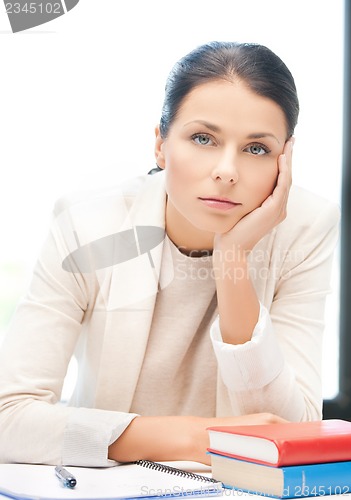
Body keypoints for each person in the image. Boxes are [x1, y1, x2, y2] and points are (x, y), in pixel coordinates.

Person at [0, 41, 340, 467]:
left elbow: (293, 432)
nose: (227, 171)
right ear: (160, 144)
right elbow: (7, 416)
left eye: (257, 149)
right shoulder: (87, 224)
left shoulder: (306, 228)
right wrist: (195, 438)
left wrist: (232, 259)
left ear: (284, 161)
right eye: (203, 138)